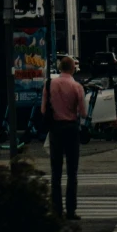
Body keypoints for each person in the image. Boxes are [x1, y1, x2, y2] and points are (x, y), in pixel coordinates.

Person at [41, 53, 87, 219]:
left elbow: (43, 110)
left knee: (56, 172)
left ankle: (56, 209)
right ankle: (71, 210)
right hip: (71, 129)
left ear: (60, 68)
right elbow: (83, 113)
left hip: (55, 129)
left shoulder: (49, 85)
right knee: (72, 172)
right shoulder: (77, 87)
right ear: (73, 69)